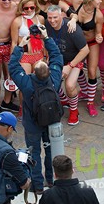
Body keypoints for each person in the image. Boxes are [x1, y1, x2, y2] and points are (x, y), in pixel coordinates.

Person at [9, 23, 63, 195]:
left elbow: (13, 67)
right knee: (50, 151)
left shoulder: (26, 83)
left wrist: (19, 46)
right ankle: (51, 180)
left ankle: (37, 185)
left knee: (33, 153)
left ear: (34, 72)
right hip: (52, 121)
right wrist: (46, 38)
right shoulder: (55, 79)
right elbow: (56, 56)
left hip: (33, 124)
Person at [46, 5, 89, 125]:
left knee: (70, 86)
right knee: (51, 81)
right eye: (50, 17)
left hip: (74, 60)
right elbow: (46, 40)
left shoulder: (72, 28)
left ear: (61, 16)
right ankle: (64, 100)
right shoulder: (47, 24)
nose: (52, 20)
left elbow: (85, 50)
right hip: (57, 59)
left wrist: (70, 66)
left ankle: (74, 110)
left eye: (55, 17)